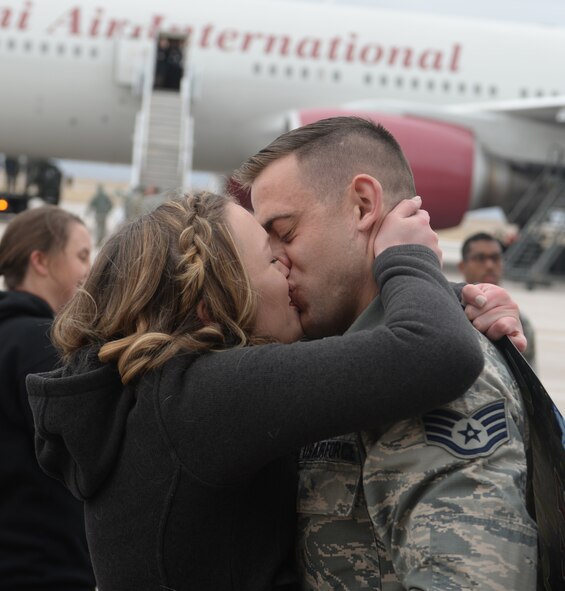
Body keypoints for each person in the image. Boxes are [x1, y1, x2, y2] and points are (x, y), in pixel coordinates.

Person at [26, 191, 485, 591]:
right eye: (270, 258)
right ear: (208, 305)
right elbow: (434, 351)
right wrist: (407, 258)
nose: (287, 267)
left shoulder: (152, 397)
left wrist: (459, 300)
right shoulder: (204, 400)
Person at [235, 116, 538, 590]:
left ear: (362, 205)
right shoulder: (340, 350)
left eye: (286, 233)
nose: (276, 259)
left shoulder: (435, 379)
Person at [0, 206, 94, 589]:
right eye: (82, 256)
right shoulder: (41, 344)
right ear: (41, 261)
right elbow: (86, 449)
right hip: (42, 565)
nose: (89, 271)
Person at [459, 231, 537, 368]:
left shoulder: (519, 322)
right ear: (462, 266)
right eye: (480, 258)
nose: (489, 265)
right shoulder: (451, 313)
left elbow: (529, 377)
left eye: (495, 258)